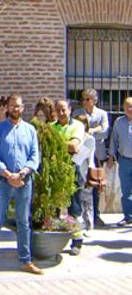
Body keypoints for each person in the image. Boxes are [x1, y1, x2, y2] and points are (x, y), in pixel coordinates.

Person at [0, 94, 43, 276]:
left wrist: (22, 173)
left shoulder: (30, 130)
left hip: (24, 181)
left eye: (18, 106)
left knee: (23, 221)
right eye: (12, 106)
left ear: (23, 108)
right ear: (7, 107)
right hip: (2, 181)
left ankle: (26, 260)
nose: (15, 109)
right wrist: (8, 175)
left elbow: (34, 156)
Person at [52, 99, 85, 255]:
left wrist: (56, 144)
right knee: (55, 208)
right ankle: (55, 240)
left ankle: (77, 240)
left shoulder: (78, 126)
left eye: (64, 109)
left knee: (74, 207)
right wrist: (66, 145)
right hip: (55, 172)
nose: (61, 113)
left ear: (70, 109)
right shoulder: (51, 127)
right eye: (58, 110)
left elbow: (74, 146)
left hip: (72, 170)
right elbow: (69, 146)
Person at [72, 88, 109, 228]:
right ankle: (81, 215)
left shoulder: (102, 114)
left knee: (96, 184)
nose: (84, 102)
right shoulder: (77, 113)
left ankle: (96, 215)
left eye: (87, 99)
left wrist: (90, 131)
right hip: (80, 156)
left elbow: (105, 132)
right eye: (83, 99)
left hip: (97, 155)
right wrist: (96, 129)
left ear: (95, 101)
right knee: (81, 187)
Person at [108, 96, 132, 227]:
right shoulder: (119, 122)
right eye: (127, 106)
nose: (130, 109)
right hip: (124, 161)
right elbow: (114, 139)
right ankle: (128, 217)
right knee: (126, 191)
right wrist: (111, 156)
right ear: (123, 108)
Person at [75, 115, 97, 237]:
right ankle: (79, 226)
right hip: (75, 171)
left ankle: (89, 226)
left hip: (85, 171)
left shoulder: (89, 139)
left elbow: (81, 156)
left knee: (87, 201)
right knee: (77, 201)